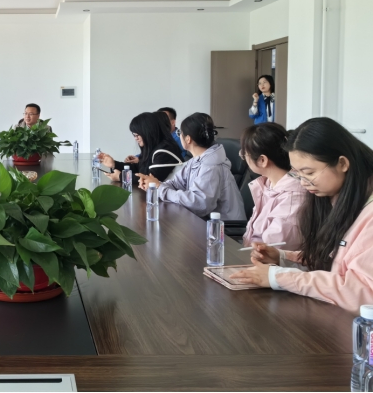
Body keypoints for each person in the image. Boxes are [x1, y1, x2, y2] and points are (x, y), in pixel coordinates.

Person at [230, 117, 373, 313]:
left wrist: (278, 277)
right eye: (297, 173)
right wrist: (282, 257)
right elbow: (332, 261)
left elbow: (364, 292)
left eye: (309, 172)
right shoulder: (335, 197)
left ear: (342, 163)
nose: (303, 182)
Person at [139, 112, 246, 221]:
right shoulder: (195, 160)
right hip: (204, 221)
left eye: (180, 133)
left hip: (223, 226)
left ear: (188, 139)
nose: (179, 136)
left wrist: (160, 188)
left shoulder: (211, 166)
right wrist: (156, 185)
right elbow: (176, 184)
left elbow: (199, 204)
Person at [240, 123, 306, 250]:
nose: (243, 158)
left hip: (266, 260)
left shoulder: (292, 197)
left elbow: (271, 249)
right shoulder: (267, 184)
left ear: (262, 160)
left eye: (244, 154)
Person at [97, 112, 183, 185]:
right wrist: (114, 164)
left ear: (148, 132)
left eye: (137, 135)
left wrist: (121, 176)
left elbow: (150, 179)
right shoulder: (154, 147)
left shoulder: (165, 150)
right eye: (134, 135)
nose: (136, 138)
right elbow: (139, 168)